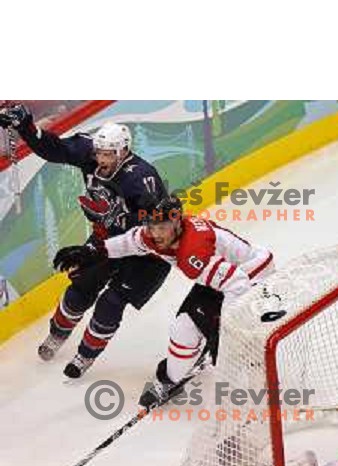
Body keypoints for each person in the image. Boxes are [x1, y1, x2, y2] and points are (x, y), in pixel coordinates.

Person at [0, 103, 171, 378]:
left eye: (109, 155)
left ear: (124, 151)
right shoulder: (89, 152)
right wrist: (26, 127)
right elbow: (53, 149)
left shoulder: (141, 179)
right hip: (107, 239)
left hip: (146, 253)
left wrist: (99, 249)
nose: (101, 160)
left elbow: (151, 233)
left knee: (111, 302)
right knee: (80, 288)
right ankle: (57, 336)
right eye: (99, 153)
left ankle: (85, 356)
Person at [53, 195, 275, 406]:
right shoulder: (155, 235)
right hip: (224, 276)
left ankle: (258, 379)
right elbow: (130, 242)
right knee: (185, 328)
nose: (155, 233)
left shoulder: (192, 253)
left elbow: (237, 284)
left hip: (252, 277)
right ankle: (172, 377)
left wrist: (226, 330)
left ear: (177, 222)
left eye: (161, 227)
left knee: (219, 340)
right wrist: (91, 251)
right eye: (151, 226)